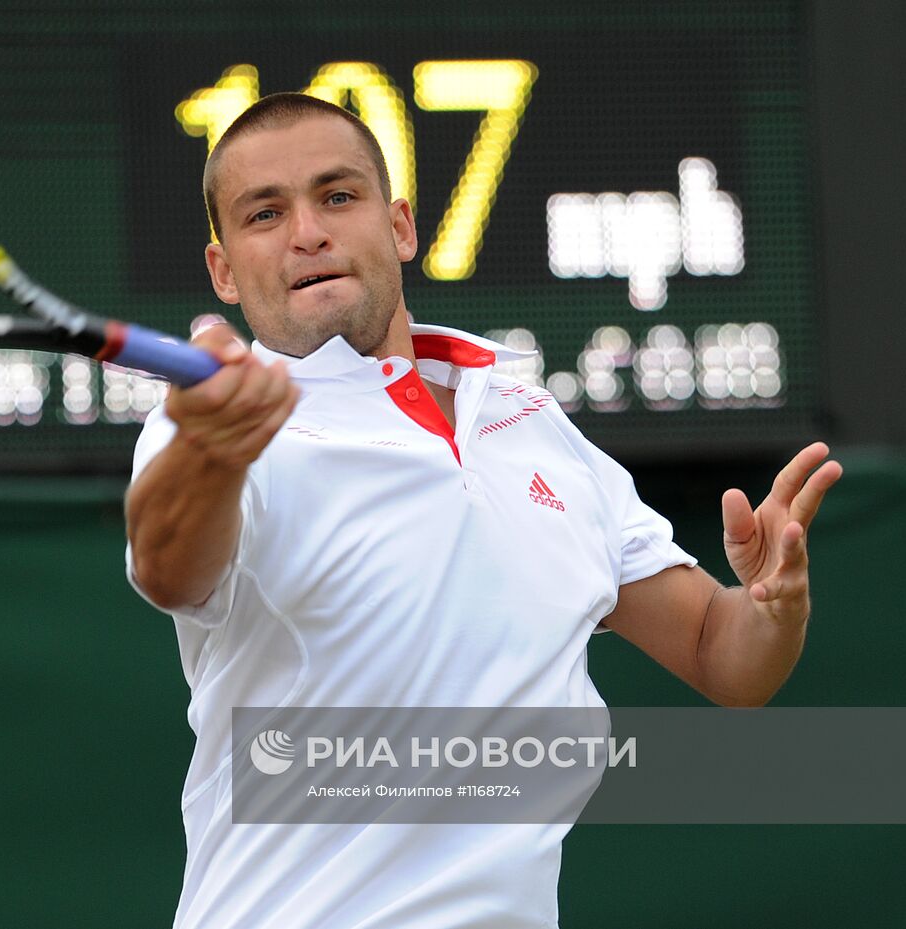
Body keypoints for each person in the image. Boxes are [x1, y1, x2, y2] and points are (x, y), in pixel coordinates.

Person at [123, 93, 841, 929]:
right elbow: (169, 570)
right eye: (265, 213)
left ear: (400, 227)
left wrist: (773, 608)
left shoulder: (529, 420)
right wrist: (213, 448)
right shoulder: (205, 428)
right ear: (223, 271)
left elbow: (721, 652)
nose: (307, 232)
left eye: (337, 196)